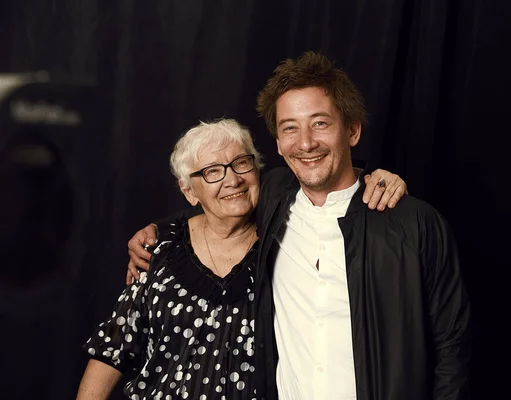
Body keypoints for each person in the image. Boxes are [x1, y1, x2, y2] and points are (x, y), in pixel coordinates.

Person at [128, 51, 470, 400]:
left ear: (352, 131)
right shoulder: (272, 196)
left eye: (320, 123)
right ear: (278, 143)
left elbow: (452, 348)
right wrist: (157, 229)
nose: (305, 143)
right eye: (290, 128)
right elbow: (222, 197)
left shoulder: (415, 223)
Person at [78, 119, 405, 399]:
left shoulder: (287, 243)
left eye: (241, 163)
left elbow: (330, 179)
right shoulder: (158, 252)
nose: (231, 179)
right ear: (189, 191)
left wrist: (378, 178)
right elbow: (114, 350)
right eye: (212, 172)